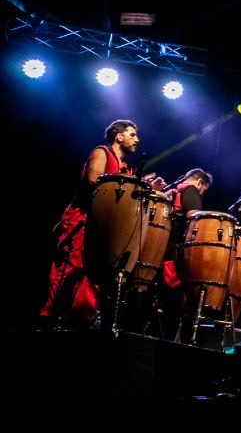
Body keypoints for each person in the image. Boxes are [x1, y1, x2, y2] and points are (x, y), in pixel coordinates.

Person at [42, 119, 165, 330]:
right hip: (83, 221)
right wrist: (128, 182)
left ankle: (80, 322)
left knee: (94, 277)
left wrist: (146, 187)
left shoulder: (126, 169)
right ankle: (48, 321)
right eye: (132, 134)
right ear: (119, 136)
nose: (137, 139)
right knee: (72, 270)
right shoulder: (101, 153)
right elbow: (94, 180)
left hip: (104, 227)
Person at [155, 168, 214, 339]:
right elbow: (194, 218)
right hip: (175, 257)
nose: (202, 194)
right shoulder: (191, 190)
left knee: (162, 303)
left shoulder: (172, 192)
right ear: (199, 182)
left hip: (162, 251)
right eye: (204, 190)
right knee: (174, 304)